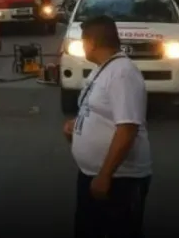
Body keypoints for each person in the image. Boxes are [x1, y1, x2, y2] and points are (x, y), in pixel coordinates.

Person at [63, 15, 151, 238]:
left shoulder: (122, 73)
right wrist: (78, 126)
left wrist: (104, 175)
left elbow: (127, 128)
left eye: (83, 42)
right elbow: (101, 110)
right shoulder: (104, 69)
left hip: (119, 180)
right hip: (93, 174)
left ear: (91, 42)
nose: (83, 47)